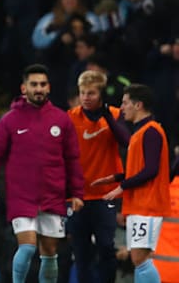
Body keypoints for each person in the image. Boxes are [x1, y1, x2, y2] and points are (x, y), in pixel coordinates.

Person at [0, 64, 84, 283]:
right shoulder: (9, 120)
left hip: (52, 194)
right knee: (27, 248)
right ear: (24, 87)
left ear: (49, 87)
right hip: (22, 196)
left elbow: (72, 159)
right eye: (34, 84)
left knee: (49, 253)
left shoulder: (61, 120)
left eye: (42, 84)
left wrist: (77, 192)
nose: (38, 88)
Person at [91, 84, 171, 283]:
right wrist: (115, 178)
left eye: (125, 103)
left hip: (148, 205)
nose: (122, 107)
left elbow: (152, 170)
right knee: (139, 260)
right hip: (138, 205)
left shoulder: (152, 131)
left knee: (140, 259)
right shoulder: (140, 133)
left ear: (138, 105)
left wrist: (122, 186)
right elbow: (139, 169)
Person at [66, 70, 128, 283]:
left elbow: (126, 141)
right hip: (79, 197)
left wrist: (107, 116)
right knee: (81, 253)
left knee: (106, 248)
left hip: (106, 196)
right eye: (82, 92)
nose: (85, 97)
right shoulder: (71, 117)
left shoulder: (116, 115)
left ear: (101, 93)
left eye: (91, 93)